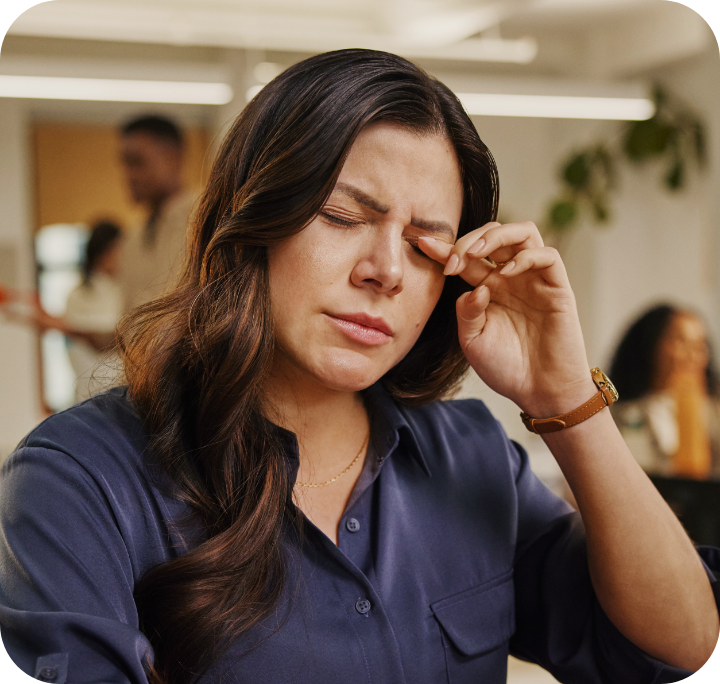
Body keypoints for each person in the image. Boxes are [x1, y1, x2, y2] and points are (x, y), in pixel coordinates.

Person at [1, 50, 718, 684]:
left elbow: (681, 646)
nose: (386, 271)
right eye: (343, 217)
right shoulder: (79, 478)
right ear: (253, 218)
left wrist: (566, 399)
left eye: (424, 244)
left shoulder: (470, 458)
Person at [610, 304, 720, 479]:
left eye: (700, 345)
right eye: (681, 342)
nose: (693, 355)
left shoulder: (713, 410)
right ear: (650, 345)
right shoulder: (619, 414)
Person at [118, 115, 196, 311]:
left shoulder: (208, 218)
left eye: (137, 162)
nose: (129, 175)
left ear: (172, 158)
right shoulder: (133, 236)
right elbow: (129, 325)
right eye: (125, 164)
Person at [63, 220, 124, 402]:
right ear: (105, 253)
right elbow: (100, 341)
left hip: (123, 395)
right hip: (93, 395)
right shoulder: (78, 297)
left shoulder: (123, 289)